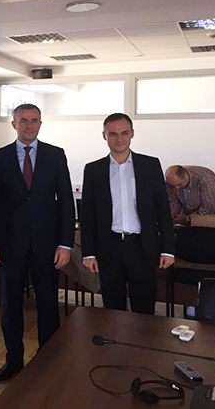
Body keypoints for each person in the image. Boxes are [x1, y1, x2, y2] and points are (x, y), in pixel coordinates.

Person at [0, 103, 75, 382]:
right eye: (23, 120)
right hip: (10, 245)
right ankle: (13, 361)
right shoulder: (0, 157)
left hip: (46, 246)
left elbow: (66, 201)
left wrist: (66, 244)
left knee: (48, 305)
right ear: (14, 124)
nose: (29, 125)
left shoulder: (55, 155)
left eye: (34, 120)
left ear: (40, 123)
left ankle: (48, 362)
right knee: (11, 307)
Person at [80, 113, 175, 315]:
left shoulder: (150, 165)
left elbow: (163, 210)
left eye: (124, 133)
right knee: (112, 310)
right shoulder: (94, 170)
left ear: (132, 133)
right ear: (104, 136)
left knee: (144, 310)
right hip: (109, 249)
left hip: (142, 248)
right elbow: (87, 216)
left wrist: (168, 249)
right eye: (113, 134)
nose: (119, 139)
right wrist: (88, 253)